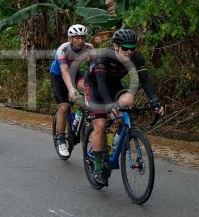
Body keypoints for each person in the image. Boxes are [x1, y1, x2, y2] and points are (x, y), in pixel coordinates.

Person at [85, 28, 164, 186]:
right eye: (125, 48)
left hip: (114, 85)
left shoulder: (137, 57)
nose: (129, 52)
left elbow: (145, 81)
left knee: (129, 101)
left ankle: (116, 134)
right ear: (116, 46)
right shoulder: (104, 57)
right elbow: (101, 84)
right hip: (95, 86)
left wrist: (154, 100)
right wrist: (108, 104)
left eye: (132, 48)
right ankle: (98, 167)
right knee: (99, 124)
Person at [50, 24, 92, 156]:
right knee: (63, 107)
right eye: (77, 38)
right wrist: (71, 89)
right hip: (58, 75)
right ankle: (61, 140)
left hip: (76, 73)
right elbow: (64, 72)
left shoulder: (89, 48)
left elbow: (94, 69)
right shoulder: (63, 50)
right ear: (70, 39)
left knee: (88, 88)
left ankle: (79, 116)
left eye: (82, 38)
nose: (80, 41)